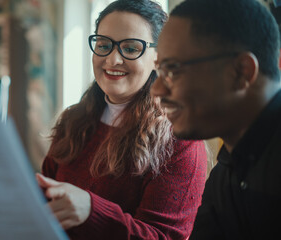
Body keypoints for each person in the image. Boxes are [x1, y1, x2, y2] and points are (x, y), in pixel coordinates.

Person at [36, 0, 207, 239]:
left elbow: (162, 236)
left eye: (130, 48)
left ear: (158, 56)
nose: (112, 60)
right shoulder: (73, 121)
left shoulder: (180, 141)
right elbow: (43, 203)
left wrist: (91, 211)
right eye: (104, 45)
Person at [150, 0, 281, 239]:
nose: (156, 89)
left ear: (241, 72)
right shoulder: (226, 172)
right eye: (159, 71)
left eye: (173, 70)